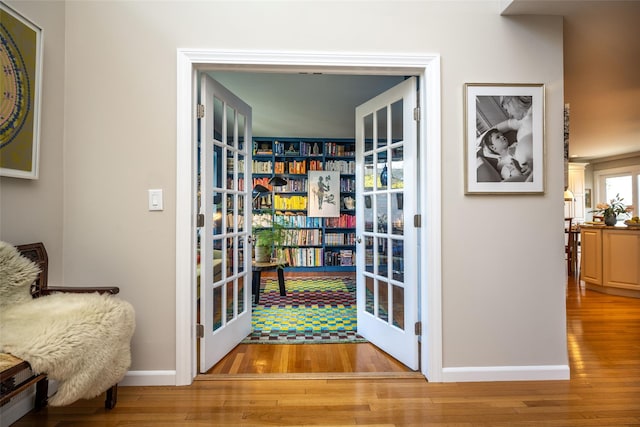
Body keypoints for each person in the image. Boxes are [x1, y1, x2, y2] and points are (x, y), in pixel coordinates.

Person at [494, 96, 533, 176]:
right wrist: (486, 135)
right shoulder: (524, 118)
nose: (509, 114)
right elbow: (507, 124)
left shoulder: (535, 116)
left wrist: (537, 163)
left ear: (513, 103)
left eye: (507, 109)